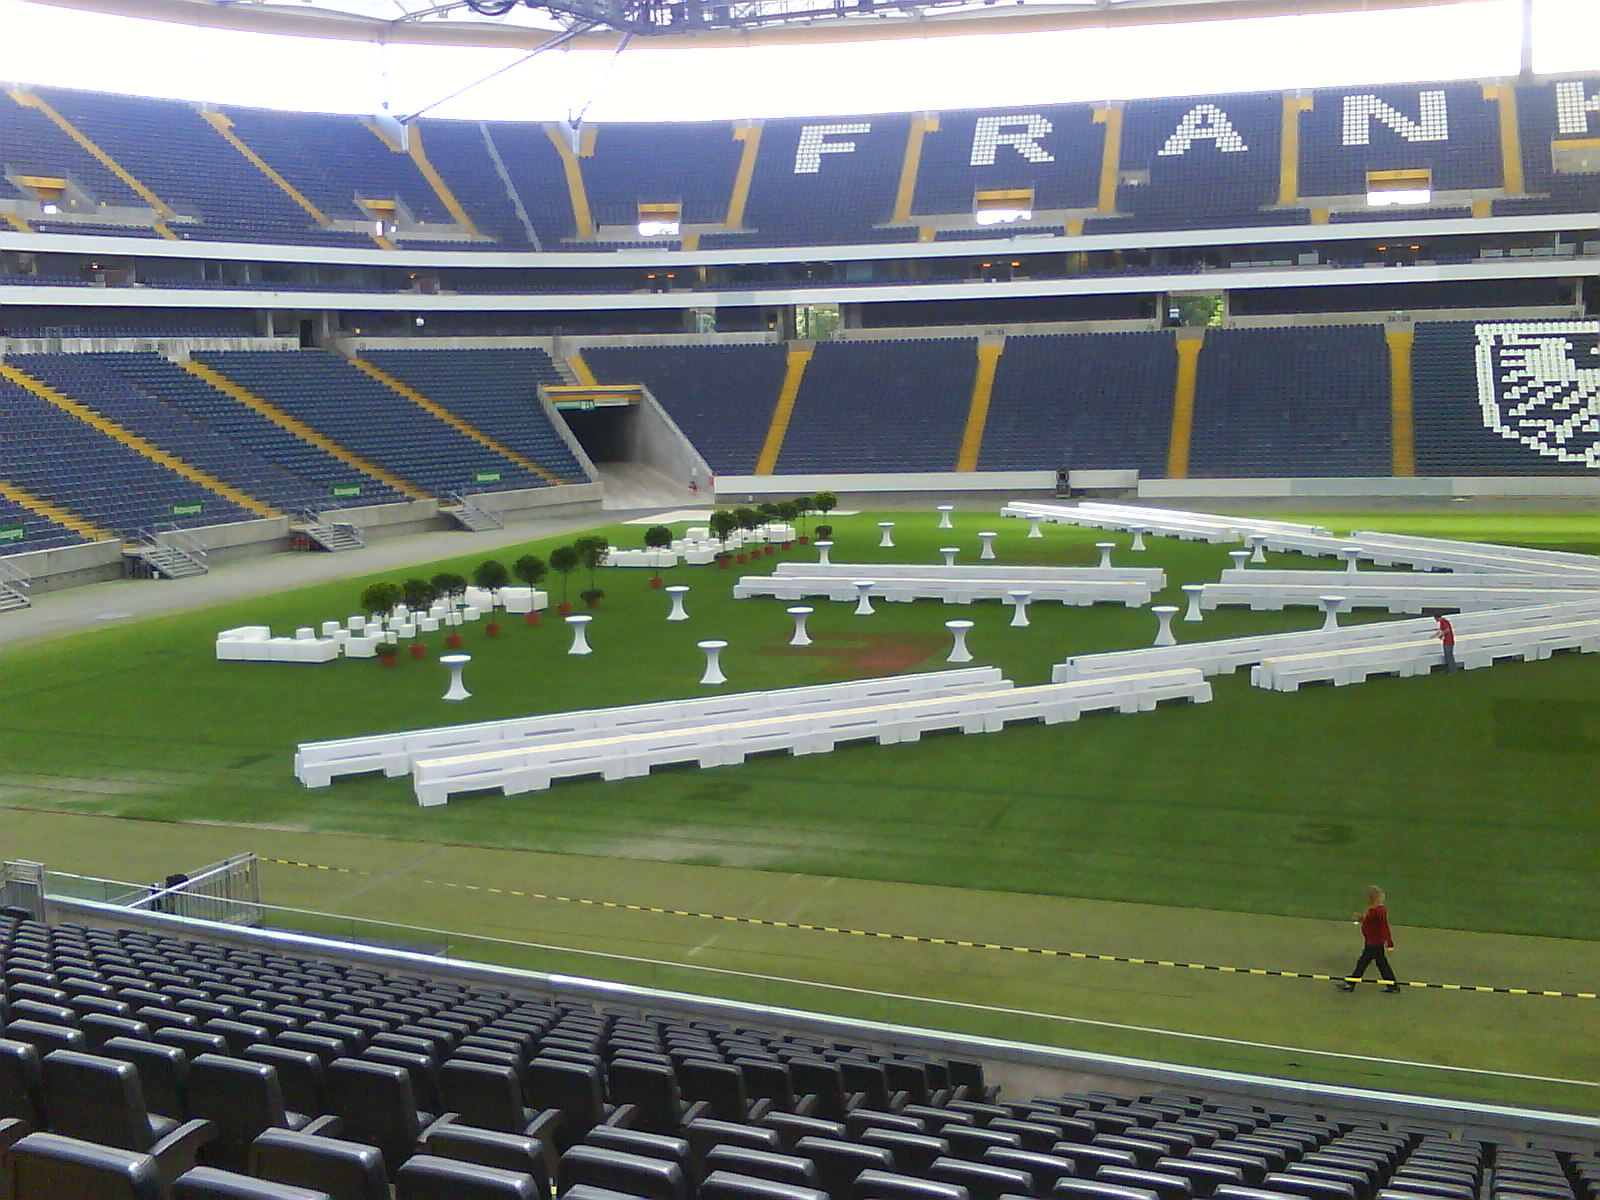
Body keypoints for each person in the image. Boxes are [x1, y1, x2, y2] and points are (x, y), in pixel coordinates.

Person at [1337, 885, 1399, 993]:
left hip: (1373, 943)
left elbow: (1384, 927)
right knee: (1381, 963)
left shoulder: (1377, 911)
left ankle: (1351, 983)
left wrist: (1390, 944)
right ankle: (1392, 985)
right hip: (1373, 942)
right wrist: (1361, 918)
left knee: (1363, 963)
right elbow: (1370, 921)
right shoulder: (1375, 910)